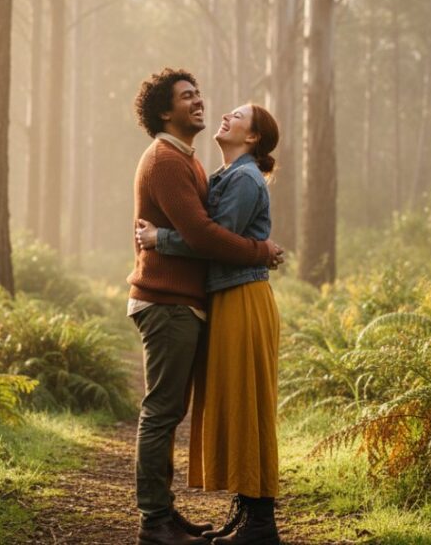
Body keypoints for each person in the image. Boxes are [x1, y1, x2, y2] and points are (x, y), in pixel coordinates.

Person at [127, 68, 285, 545]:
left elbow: (210, 233)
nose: (201, 103)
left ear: (253, 136)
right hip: (170, 301)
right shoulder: (169, 160)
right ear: (164, 111)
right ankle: (156, 521)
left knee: (231, 403)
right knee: (165, 409)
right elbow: (205, 236)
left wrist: (161, 238)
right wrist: (262, 251)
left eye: (200, 94)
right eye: (186, 97)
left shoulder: (203, 166)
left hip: (203, 301)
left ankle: (187, 516)